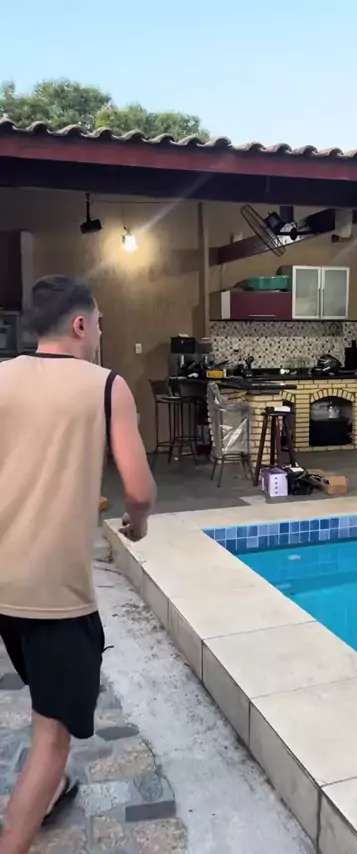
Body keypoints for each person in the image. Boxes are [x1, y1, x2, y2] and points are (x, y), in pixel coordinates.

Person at [0, 275, 156, 854]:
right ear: (80, 324)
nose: (100, 333)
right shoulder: (106, 386)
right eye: (99, 323)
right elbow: (138, 490)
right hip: (55, 596)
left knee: (44, 697)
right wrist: (137, 524)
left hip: (3, 582)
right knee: (53, 736)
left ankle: (47, 793)